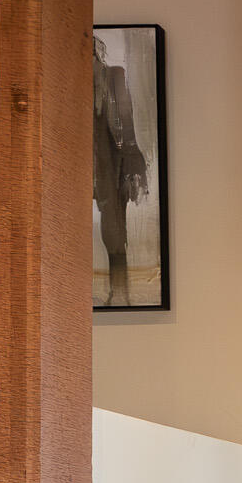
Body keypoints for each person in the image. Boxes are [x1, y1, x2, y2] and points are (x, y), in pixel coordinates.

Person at [92, 34, 150, 307]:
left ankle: (119, 292)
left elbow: (125, 123)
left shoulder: (113, 76)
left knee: (113, 229)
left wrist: (131, 163)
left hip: (111, 163)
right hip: (85, 162)